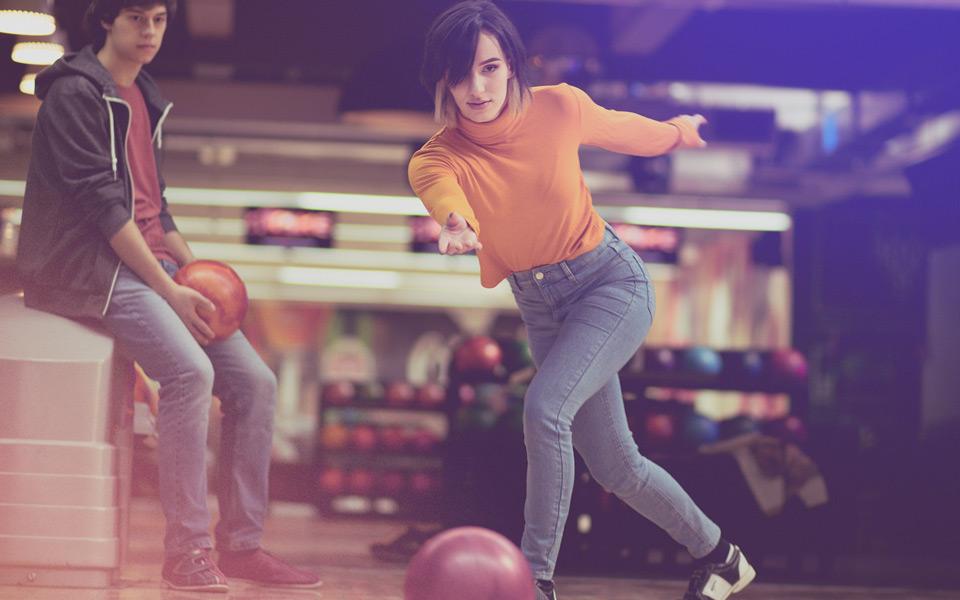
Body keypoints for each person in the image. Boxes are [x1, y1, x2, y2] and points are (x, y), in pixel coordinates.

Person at [408, 2, 756, 599]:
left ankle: (534, 579)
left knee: (545, 410)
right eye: (459, 74)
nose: (476, 87)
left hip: (609, 285)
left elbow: (627, 129)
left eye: (489, 67)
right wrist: (455, 221)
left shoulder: (559, 107)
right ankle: (721, 557)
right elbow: (442, 191)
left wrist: (677, 131)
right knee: (617, 465)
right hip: (541, 309)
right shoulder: (437, 156)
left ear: (512, 65)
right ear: (443, 79)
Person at [16, 0, 320, 592]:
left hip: (147, 265)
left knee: (256, 383)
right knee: (189, 375)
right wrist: (171, 292)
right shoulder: (77, 94)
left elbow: (157, 209)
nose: (150, 30)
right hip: (91, 269)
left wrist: (199, 272)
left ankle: (242, 545)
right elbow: (105, 210)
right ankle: (186, 552)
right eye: (136, 17)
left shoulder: (144, 94)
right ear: (104, 19)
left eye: (158, 18)